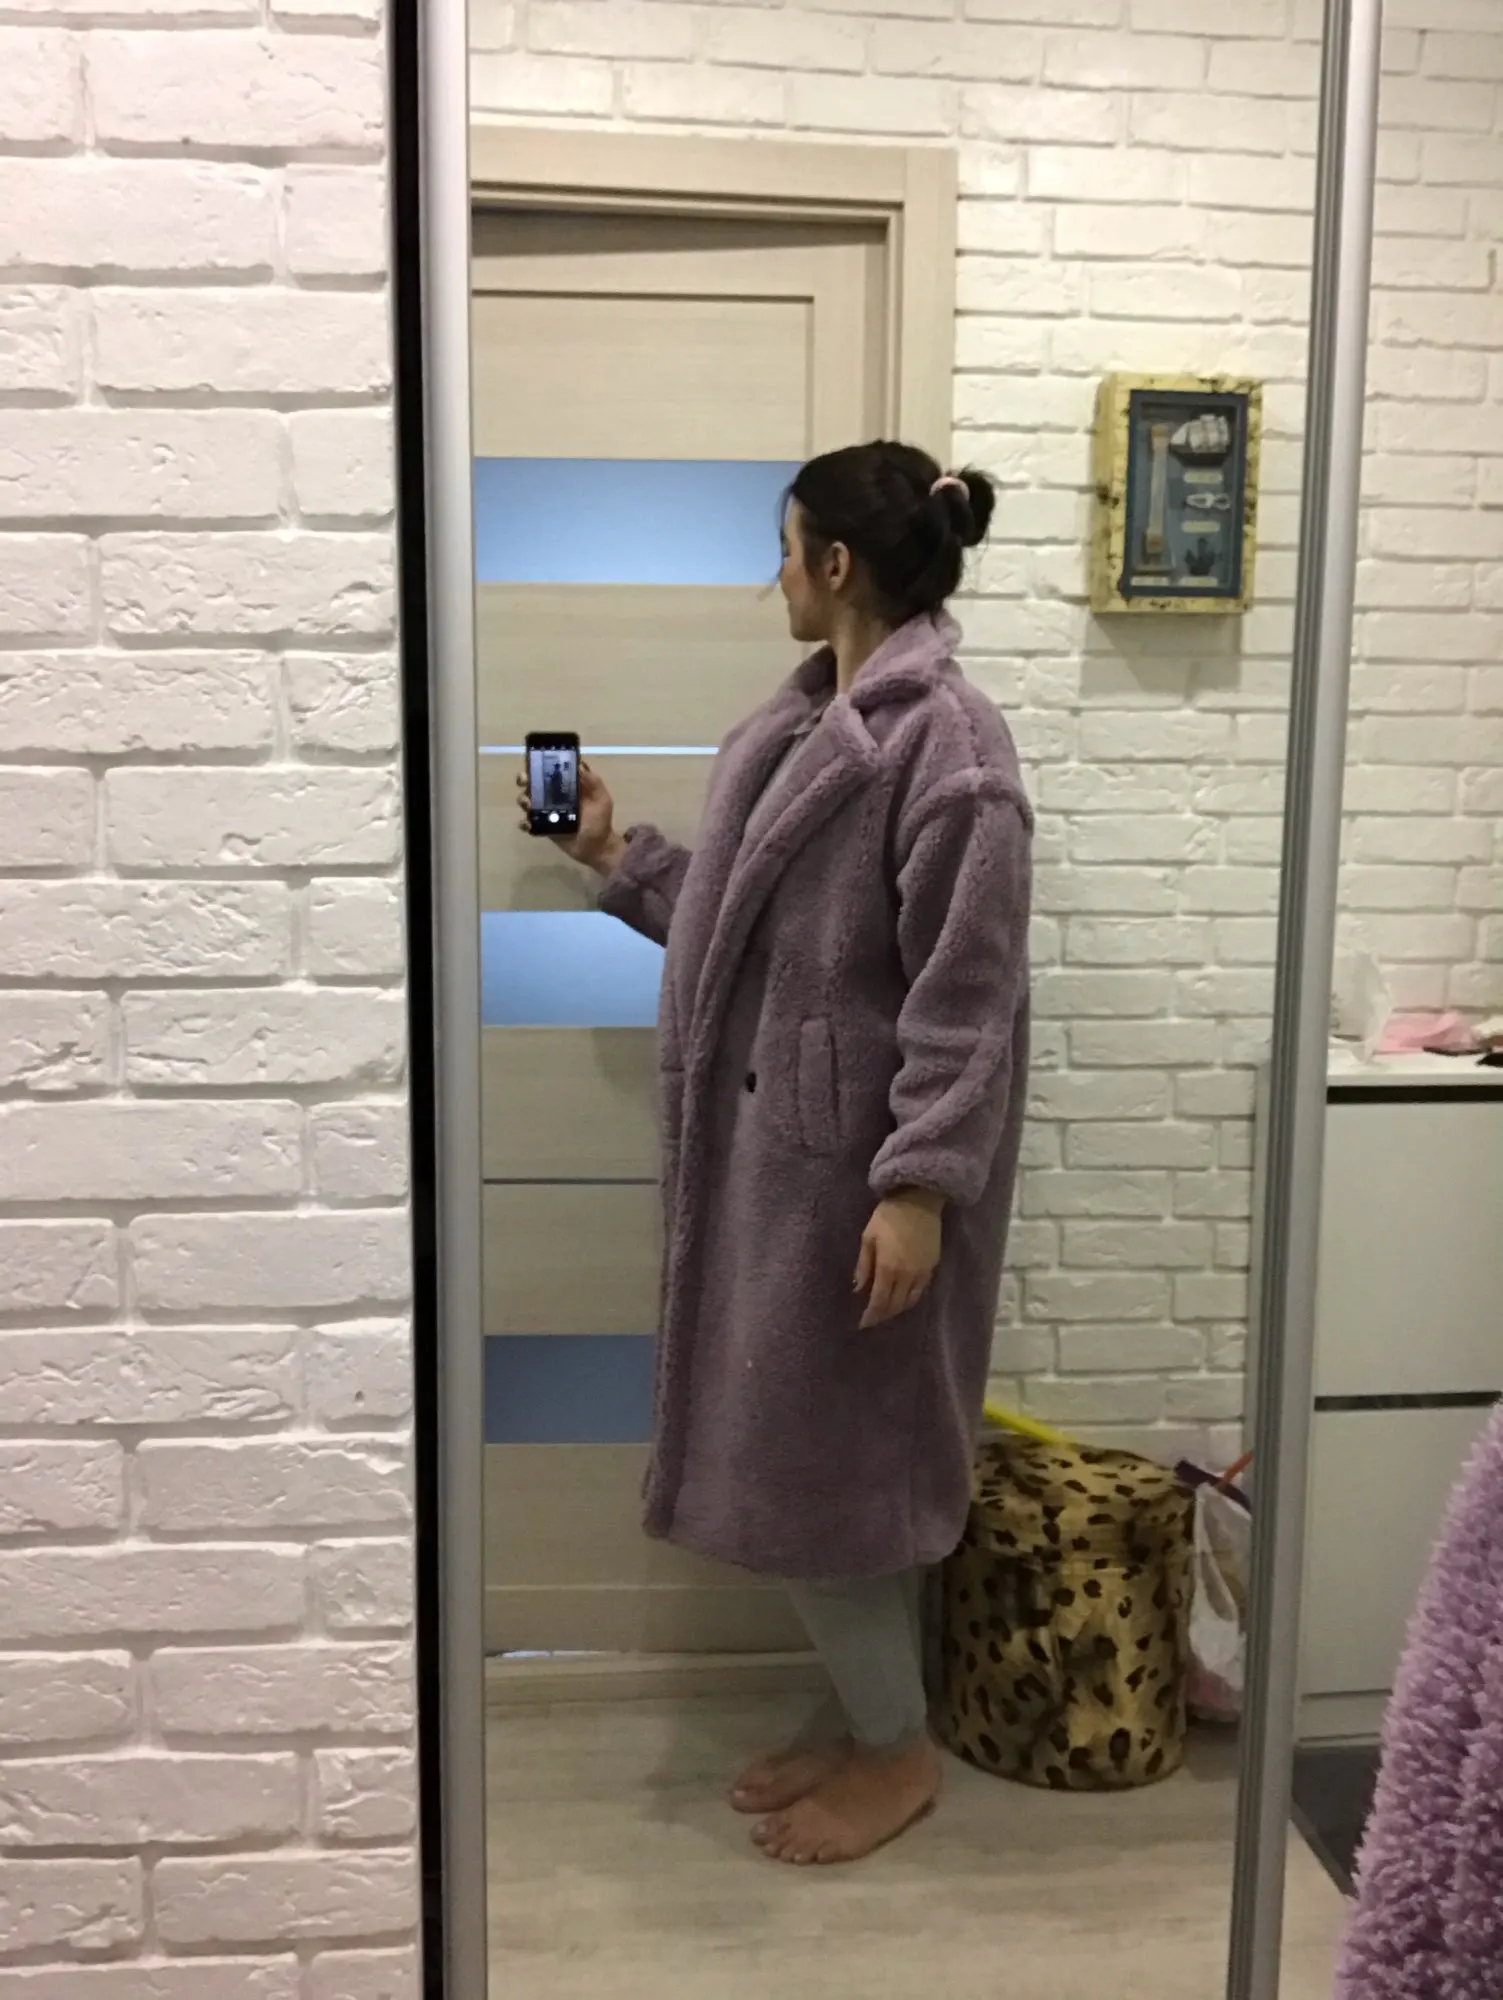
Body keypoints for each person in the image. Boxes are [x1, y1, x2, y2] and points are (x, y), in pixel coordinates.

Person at [516, 440, 1033, 1865]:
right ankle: (868, 1719)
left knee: (837, 1476)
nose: (775, 577)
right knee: (810, 1467)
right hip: (780, 1170)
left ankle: (898, 1752)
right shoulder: (801, 727)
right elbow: (743, 929)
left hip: (860, 1180)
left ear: (836, 564)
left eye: (786, 548)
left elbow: (969, 1000)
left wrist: (918, 1186)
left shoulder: (953, 755)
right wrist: (611, 856)